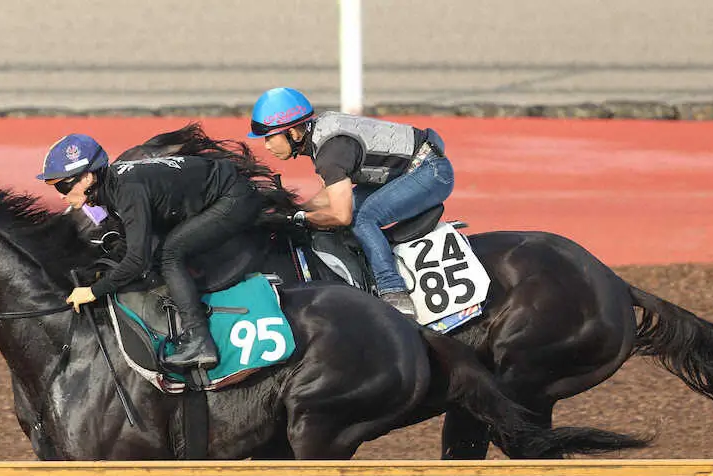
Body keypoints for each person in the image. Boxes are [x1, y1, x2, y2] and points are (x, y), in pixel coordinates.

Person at [37, 133, 261, 372]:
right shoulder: (113, 187)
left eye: (62, 185)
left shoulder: (127, 191)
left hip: (234, 198)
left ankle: (199, 340)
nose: (60, 195)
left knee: (170, 254)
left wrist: (94, 292)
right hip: (218, 193)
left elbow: (137, 260)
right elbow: (130, 242)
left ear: (87, 177)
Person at [247, 87, 455, 318]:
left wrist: (298, 217)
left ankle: (394, 292)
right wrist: (296, 208)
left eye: (269, 136)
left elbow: (341, 215)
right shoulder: (322, 132)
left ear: (294, 133)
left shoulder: (330, 154)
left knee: (364, 219)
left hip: (431, 172)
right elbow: (330, 195)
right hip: (412, 169)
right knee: (352, 213)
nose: (266, 145)